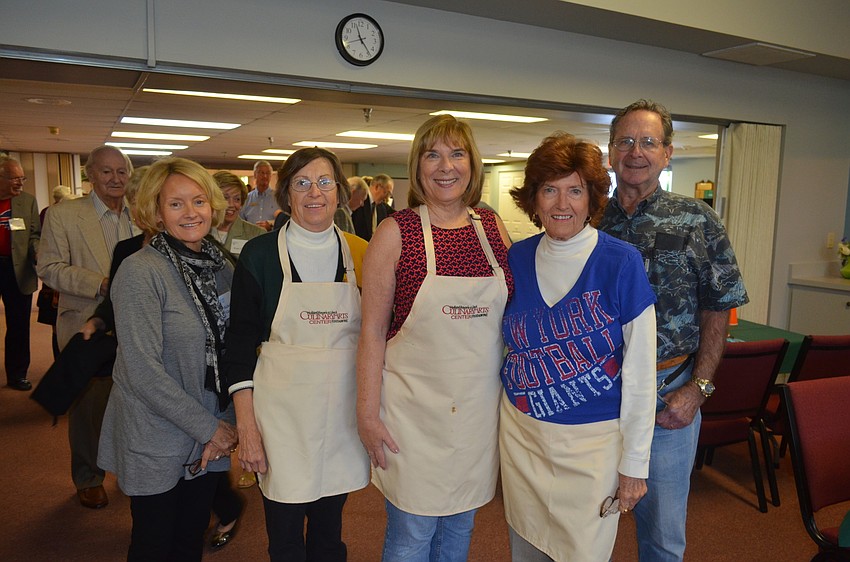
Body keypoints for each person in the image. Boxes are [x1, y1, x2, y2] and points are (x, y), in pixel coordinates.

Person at [357, 114, 514, 561]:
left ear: (472, 164)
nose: (446, 166)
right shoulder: (395, 233)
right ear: (418, 167)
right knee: (412, 533)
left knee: (460, 528)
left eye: (457, 154)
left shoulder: (491, 228)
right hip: (413, 419)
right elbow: (371, 333)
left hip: (476, 416)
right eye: (433, 155)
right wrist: (367, 414)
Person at [599, 99, 749, 561]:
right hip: (597, 399)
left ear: (667, 153)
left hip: (669, 398)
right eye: (625, 141)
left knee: (662, 538)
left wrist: (699, 389)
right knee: (583, 528)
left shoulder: (696, 219)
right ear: (609, 152)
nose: (635, 152)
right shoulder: (587, 219)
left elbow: (718, 307)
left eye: (648, 142)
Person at [499, 133, 657, 561]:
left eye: (575, 190)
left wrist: (635, 465)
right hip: (522, 439)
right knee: (527, 550)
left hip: (593, 447)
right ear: (534, 200)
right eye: (549, 190)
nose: (561, 203)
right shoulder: (515, 258)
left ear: (592, 199)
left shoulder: (620, 262)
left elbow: (642, 374)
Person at [225, 147, 370, 561]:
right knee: (286, 539)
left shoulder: (362, 253)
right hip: (281, 421)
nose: (314, 193)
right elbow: (238, 348)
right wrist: (247, 429)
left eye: (325, 182)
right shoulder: (259, 255)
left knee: (330, 535)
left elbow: (378, 337)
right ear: (286, 194)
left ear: (339, 193)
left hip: (340, 416)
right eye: (301, 183)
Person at [97, 157, 238, 561]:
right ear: (156, 212)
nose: (191, 213)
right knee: (154, 545)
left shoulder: (222, 266)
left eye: (198, 201)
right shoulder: (140, 271)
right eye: (176, 204)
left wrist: (226, 422)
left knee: (189, 540)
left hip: (210, 431)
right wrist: (211, 427)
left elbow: (236, 352)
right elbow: (140, 371)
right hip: (157, 434)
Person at [37, 145, 135, 509]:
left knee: (131, 400)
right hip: (87, 325)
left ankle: (130, 468)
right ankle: (88, 476)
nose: (115, 179)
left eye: (121, 172)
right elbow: (48, 268)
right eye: (106, 172)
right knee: (89, 407)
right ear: (90, 175)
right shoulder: (64, 216)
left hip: (134, 326)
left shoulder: (140, 215)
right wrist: (101, 283)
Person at [0, 157, 40, 391]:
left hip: (17, 270)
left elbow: (34, 235)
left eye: (22, 177)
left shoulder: (27, 202)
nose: (20, 183)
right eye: (14, 178)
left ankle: (17, 374)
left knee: (18, 325)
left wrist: (37, 252)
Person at [211, 171, 266, 256]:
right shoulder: (200, 232)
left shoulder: (256, 234)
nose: (231, 204)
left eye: (237, 199)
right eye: (225, 198)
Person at [351, 173, 394, 241]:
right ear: (377, 187)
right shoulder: (359, 201)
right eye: (387, 193)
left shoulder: (383, 208)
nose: (387, 197)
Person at [240, 160, 280, 231]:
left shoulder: (279, 198)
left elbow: (285, 221)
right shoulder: (247, 198)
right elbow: (240, 220)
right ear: (255, 174)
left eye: (267, 173)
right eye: (262, 173)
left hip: (271, 238)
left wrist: (271, 225)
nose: (265, 176)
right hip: (251, 238)